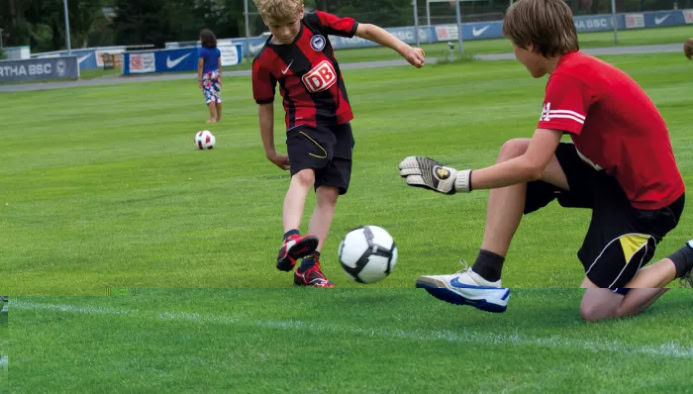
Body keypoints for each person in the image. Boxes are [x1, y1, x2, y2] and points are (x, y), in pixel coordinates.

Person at [399, 0, 691, 321]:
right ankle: (485, 275)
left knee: (595, 309)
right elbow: (530, 157)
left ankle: (688, 256)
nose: (515, 54)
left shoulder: (571, 76)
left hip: (647, 207)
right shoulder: (570, 70)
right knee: (514, 149)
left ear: (531, 44)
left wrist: (456, 180)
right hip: (610, 180)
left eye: (514, 45)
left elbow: (535, 165)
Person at [252, 0, 425, 287]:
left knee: (329, 194)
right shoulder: (265, 60)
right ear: (265, 23)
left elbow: (366, 30)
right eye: (275, 27)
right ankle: (290, 238)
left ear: (300, 11)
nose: (283, 32)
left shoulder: (316, 23)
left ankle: (309, 266)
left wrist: (404, 49)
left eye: (289, 24)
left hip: (339, 124)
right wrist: (269, 150)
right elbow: (264, 106)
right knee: (304, 175)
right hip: (304, 124)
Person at [198, 28, 222, 123]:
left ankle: (212, 118)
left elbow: (200, 65)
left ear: (203, 39)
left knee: (210, 97)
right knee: (217, 96)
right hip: (216, 74)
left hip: (207, 75)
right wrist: (220, 76)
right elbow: (219, 64)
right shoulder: (217, 50)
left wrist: (199, 79)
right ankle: (219, 118)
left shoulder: (202, 51)